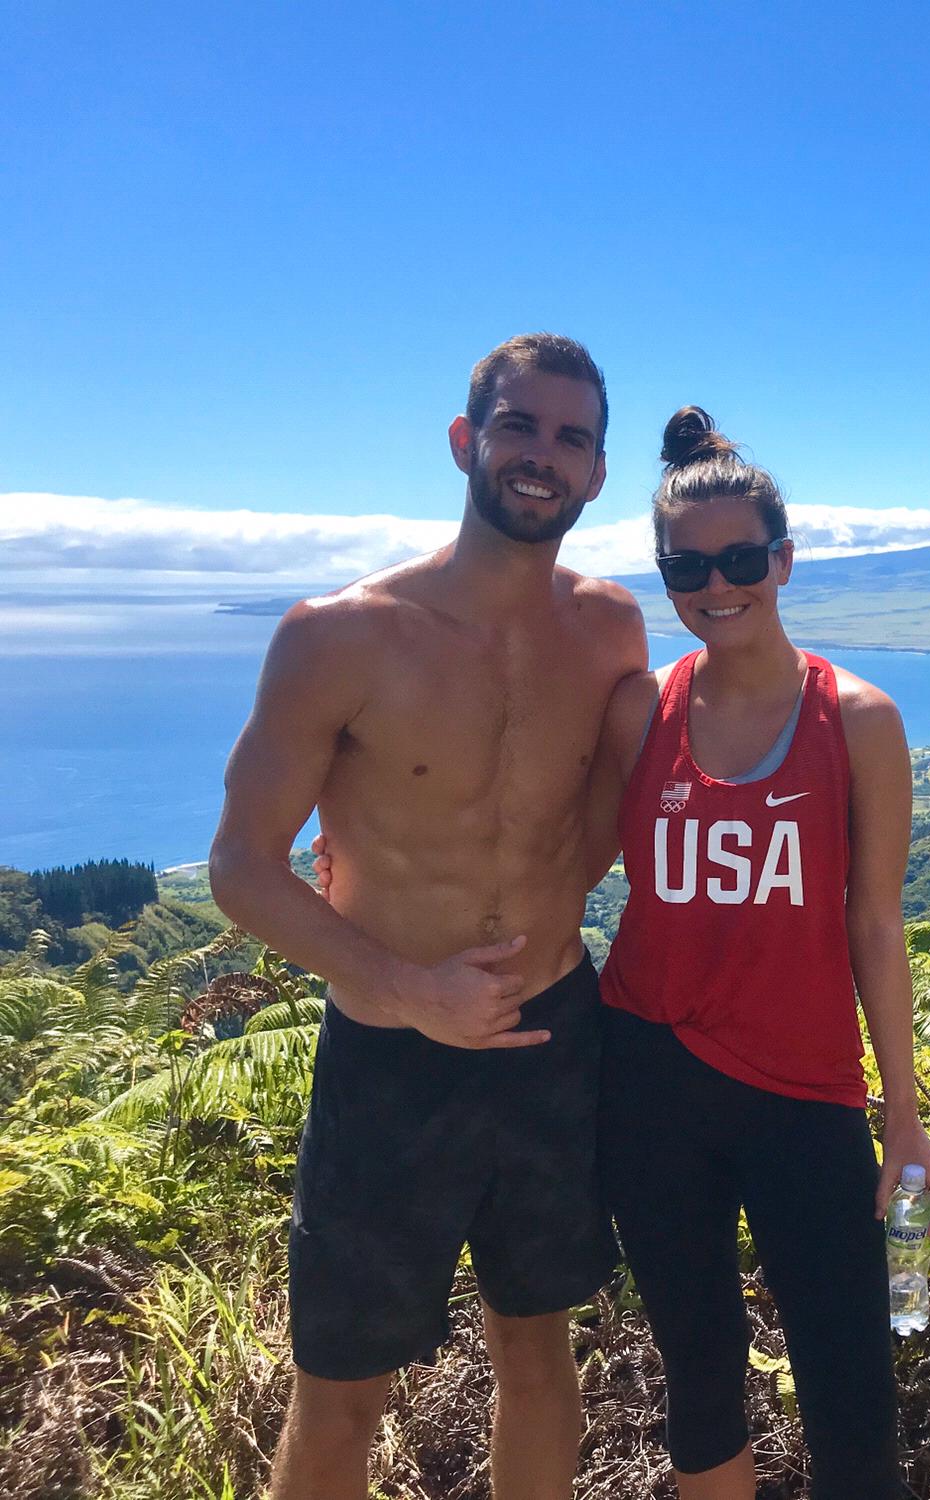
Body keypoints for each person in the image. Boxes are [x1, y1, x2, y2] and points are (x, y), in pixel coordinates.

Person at [207, 333, 648, 1500]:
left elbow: (605, 818)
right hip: (393, 1054)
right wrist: (410, 991)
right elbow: (242, 868)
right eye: (518, 427)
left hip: (555, 1033)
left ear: (598, 472)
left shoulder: (608, 630)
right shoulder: (338, 635)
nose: (541, 456)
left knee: (539, 1349)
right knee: (342, 1384)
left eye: (570, 437)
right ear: (466, 441)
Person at [591, 407, 930, 1499]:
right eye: (687, 567)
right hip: (647, 1075)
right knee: (697, 1373)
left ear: (782, 562)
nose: (716, 585)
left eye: (741, 559)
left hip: (802, 1091)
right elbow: (563, 863)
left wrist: (904, 1113)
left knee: (850, 1382)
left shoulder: (859, 720)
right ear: (663, 575)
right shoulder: (634, 712)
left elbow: (872, 924)